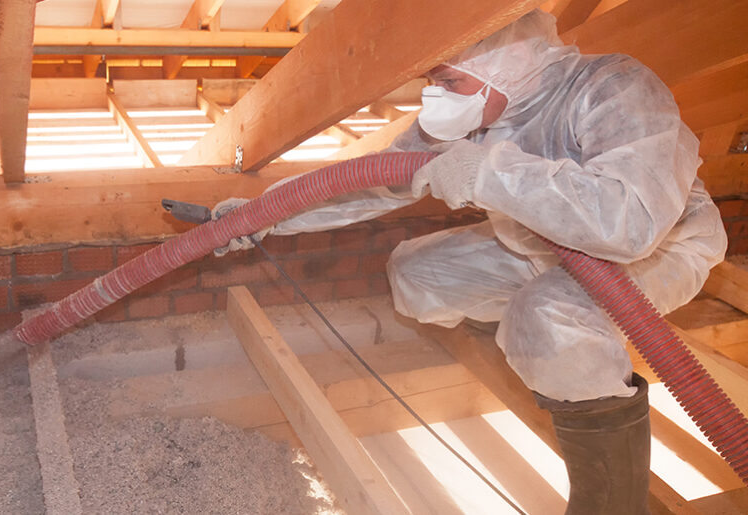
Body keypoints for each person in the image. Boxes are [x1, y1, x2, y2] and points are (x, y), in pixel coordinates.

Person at [213, 9, 727, 513]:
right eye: (431, 81)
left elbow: (631, 222)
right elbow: (373, 181)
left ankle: (612, 501)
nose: (436, 97)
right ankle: (530, 345)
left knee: (546, 316)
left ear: (507, 62)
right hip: (535, 247)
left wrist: (492, 174)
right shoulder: (476, 109)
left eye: (449, 81)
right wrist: (264, 215)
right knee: (415, 273)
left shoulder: (613, 87)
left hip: (658, 249)